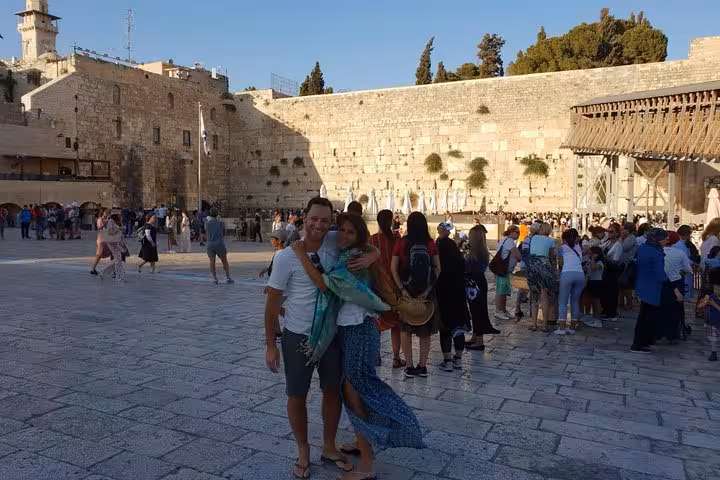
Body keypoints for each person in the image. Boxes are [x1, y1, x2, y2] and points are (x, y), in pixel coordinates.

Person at [290, 211, 423, 479]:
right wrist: (373, 252)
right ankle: (366, 444)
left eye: (351, 232)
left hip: (359, 329)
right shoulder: (356, 252)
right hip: (351, 330)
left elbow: (326, 284)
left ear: (359, 236)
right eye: (342, 230)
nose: (344, 235)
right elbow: (370, 248)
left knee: (355, 391)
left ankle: (367, 467)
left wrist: (300, 254)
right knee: (354, 389)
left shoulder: (352, 259)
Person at [264, 197, 375, 479]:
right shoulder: (285, 257)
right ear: (304, 217)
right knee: (297, 394)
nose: (319, 225)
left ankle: (328, 446)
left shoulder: (334, 240)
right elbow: (272, 304)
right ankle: (303, 449)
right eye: (314, 218)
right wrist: (270, 345)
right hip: (298, 335)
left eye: (325, 220)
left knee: (332, 391)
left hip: (331, 335)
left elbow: (365, 240)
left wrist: (373, 254)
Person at [390, 211, 441, 379]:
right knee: (424, 330)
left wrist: (403, 290)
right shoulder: (430, 243)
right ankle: (423, 366)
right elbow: (438, 269)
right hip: (425, 293)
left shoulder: (401, 243)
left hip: (407, 291)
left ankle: (410, 366)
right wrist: (427, 291)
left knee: (406, 330)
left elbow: (393, 269)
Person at [368, 209, 405, 368]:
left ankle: (375, 356)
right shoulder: (397, 239)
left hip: (377, 287)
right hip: (395, 288)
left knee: (376, 322)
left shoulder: (371, 240)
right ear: (391, 221)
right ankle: (396, 357)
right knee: (396, 324)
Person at [435, 222, 471, 371]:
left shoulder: (439, 250)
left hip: (443, 292)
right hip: (458, 292)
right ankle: (458, 359)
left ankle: (447, 361)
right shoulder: (456, 252)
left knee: (445, 327)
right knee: (458, 325)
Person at [632, 228, 668, 353]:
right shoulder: (656, 252)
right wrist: (667, 280)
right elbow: (659, 272)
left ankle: (644, 341)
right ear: (657, 239)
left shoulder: (643, 248)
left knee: (644, 315)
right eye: (664, 238)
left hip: (642, 285)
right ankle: (639, 343)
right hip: (652, 287)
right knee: (647, 317)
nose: (666, 241)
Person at [465, 224, 500, 350]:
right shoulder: (481, 251)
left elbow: (472, 269)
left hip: (476, 285)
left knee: (478, 312)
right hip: (476, 284)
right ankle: (475, 336)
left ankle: (479, 341)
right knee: (475, 311)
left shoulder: (476, 253)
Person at [660, 232, 691, 344]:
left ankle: (659, 332)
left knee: (661, 307)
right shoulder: (680, 253)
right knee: (675, 310)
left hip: (661, 283)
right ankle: (672, 334)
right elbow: (688, 269)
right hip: (676, 283)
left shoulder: (659, 252)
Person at [526, 222, 556, 332]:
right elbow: (552, 256)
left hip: (532, 266)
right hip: (544, 266)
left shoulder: (533, 238)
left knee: (534, 296)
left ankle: (534, 324)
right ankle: (544, 325)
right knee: (544, 297)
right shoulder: (551, 241)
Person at [555, 229, 583, 335]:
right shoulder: (578, 247)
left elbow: (561, 263)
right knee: (575, 301)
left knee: (562, 302)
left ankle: (562, 328)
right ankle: (572, 327)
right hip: (580, 275)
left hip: (567, 274)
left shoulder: (562, 248)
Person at [494, 225, 522, 320]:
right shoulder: (509, 241)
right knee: (500, 291)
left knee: (504, 290)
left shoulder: (504, 239)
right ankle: (498, 311)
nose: (519, 234)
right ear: (512, 232)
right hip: (502, 270)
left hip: (504, 270)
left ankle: (504, 310)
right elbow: (517, 255)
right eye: (517, 232)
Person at [602, 223, 623, 322]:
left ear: (617, 233)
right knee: (606, 292)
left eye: (611, 232)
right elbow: (599, 247)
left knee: (612, 292)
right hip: (605, 271)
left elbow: (616, 261)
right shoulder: (607, 242)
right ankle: (606, 311)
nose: (609, 233)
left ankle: (612, 313)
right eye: (608, 231)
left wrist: (604, 258)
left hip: (612, 271)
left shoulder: (618, 245)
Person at [582, 246, 605, 327]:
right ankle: (590, 317)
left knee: (596, 301)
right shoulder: (589, 261)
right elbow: (584, 269)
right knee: (588, 299)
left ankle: (598, 319)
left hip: (597, 283)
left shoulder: (599, 262)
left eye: (591, 253)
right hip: (590, 282)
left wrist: (592, 259)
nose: (590, 254)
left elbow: (593, 268)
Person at [99, 213, 126, 282]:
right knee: (118, 259)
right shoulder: (111, 221)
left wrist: (121, 224)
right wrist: (118, 229)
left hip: (117, 242)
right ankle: (118, 277)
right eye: (119, 216)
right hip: (112, 242)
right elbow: (110, 232)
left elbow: (121, 229)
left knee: (118, 259)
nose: (120, 217)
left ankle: (103, 272)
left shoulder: (116, 222)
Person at [618, 222, 637, 311]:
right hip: (622, 263)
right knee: (621, 285)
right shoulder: (626, 238)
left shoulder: (631, 238)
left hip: (628, 264)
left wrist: (621, 239)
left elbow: (624, 247)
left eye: (623, 229)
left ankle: (629, 303)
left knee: (627, 286)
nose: (622, 231)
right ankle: (620, 303)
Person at [90, 208, 110, 276]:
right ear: (103, 212)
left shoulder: (108, 220)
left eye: (108, 212)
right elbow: (101, 230)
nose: (107, 213)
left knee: (112, 253)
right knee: (98, 255)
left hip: (107, 239)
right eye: (106, 212)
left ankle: (113, 269)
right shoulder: (100, 220)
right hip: (101, 239)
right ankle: (93, 269)